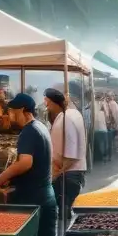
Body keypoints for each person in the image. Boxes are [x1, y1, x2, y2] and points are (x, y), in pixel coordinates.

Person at [0, 93, 58, 236]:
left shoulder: (29, 131)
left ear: (23, 111)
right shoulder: (40, 127)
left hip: (35, 201)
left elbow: (25, 163)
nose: (10, 115)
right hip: (44, 197)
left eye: (12, 111)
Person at [44, 88, 87, 223]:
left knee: (64, 214)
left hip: (68, 174)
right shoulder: (71, 114)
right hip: (70, 172)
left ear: (54, 103)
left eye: (47, 103)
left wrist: (58, 173)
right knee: (65, 212)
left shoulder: (66, 119)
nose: (46, 106)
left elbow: (71, 153)